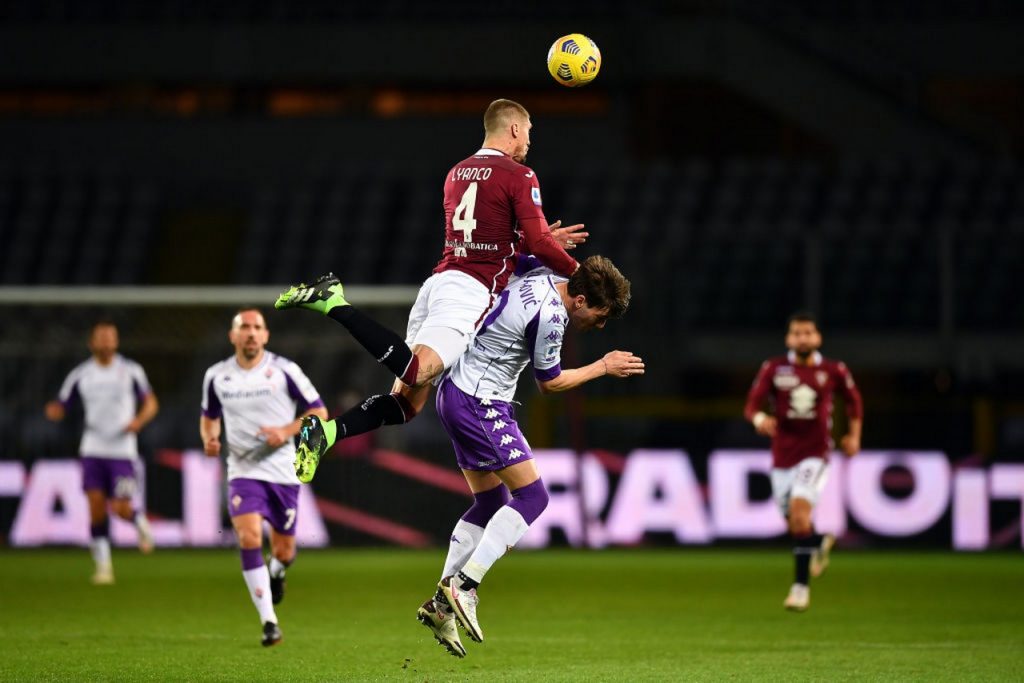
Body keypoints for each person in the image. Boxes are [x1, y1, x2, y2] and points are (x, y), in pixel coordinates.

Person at [274, 98, 588, 482]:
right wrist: (578, 273)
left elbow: (485, 244)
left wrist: (528, 242)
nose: (529, 143)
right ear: (515, 129)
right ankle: (333, 302)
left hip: (440, 282)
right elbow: (538, 245)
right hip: (468, 293)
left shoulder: (457, 172)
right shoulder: (520, 176)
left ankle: (326, 432)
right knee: (417, 370)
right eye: (529, 133)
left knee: (406, 404)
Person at [411, 255, 641, 657]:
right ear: (581, 300)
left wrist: (547, 240)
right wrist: (602, 366)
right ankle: (466, 584)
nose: (599, 326)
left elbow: (511, 256)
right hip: (479, 401)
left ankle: (440, 605)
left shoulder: (543, 274)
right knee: (534, 497)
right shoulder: (553, 316)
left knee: (489, 503)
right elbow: (550, 383)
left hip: (457, 391)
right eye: (600, 317)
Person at [199, 308, 328, 647]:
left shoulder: (284, 370)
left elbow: (319, 411)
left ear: (266, 335)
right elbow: (209, 416)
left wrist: (286, 430)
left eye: (257, 327)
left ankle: (278, 571)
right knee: (249, 536)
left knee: (284, 551)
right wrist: (209, 438)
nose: (251, 333)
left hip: (284, 471)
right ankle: (269, 621)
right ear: (233, 336)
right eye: (244, 328)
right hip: (242, 471)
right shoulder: (216, 376)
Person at [744, 312, 863, 612]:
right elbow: (751, 405)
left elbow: (854, 402)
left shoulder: (834, 370)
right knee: (796, 524)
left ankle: (799, 590)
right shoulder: (774, 368)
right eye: (797, 333)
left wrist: (854, 436)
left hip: (816, 453)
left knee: (798, 512)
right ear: (789, 339)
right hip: (782, 456)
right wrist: (760, 419)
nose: (803, 338)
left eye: (808, 332)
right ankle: (819, 542)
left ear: (818, 338)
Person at [44, 319, 159, 585]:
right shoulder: (81, 374)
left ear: (116, 342)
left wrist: (139, 421)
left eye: (111, 337)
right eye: (101, 337)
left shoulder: (130, 371)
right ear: (91, 343)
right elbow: (63, 403)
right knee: (96, 508)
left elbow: (151, 402)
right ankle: (104, 566)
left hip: (122, 451)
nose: (106, 341)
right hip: (93, 448)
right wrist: (56, 410)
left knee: (120, 508)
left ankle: (138, 519)